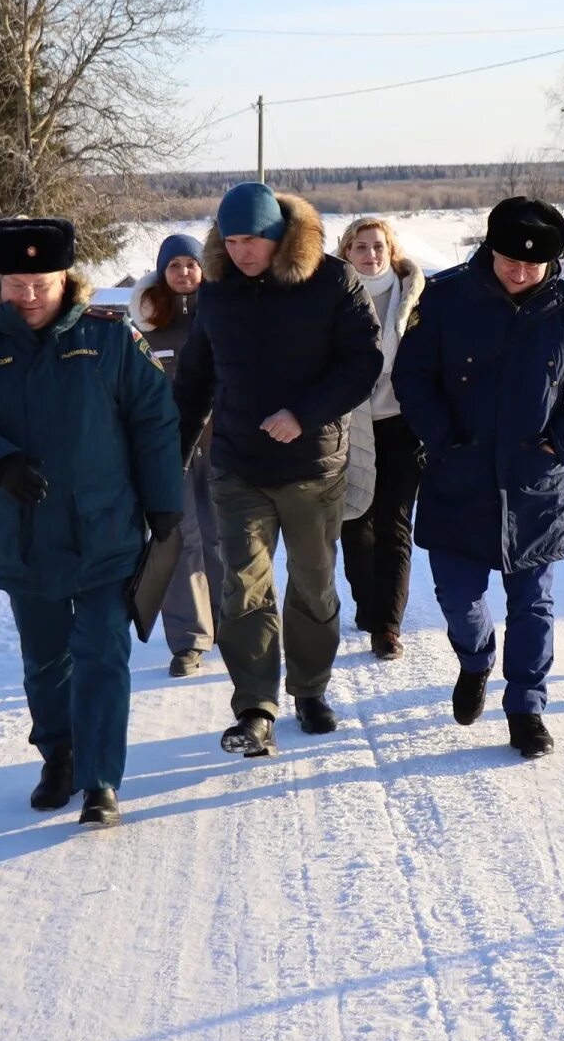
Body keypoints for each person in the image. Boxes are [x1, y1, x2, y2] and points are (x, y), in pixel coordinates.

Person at [0, 217, 184, 828]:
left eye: (40, 283)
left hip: (105, 526)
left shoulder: (110, 337)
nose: (29, 296)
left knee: (102, 650)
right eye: (16, 284)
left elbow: (154, 418)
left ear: (65, 278)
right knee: (45, 659)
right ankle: (60, 756)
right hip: (23, 532)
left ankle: (101, 780)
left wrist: (164, 502)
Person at [392, 197, 564, 759]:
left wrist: (560, 442)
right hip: (457, 477)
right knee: (458, 598)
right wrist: (443, 439)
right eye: (511, 261)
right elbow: (412, 377)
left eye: (532, 265)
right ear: (490, 250)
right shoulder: (444, 298)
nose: (520, 273)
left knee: (533, 606)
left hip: (534, 484)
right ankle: (475, 660)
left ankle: (526, 709)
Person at [173, 183, 382, 757]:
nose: (241, 251)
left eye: (252, 240)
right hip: (237, 464)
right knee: (243, 587)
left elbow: (363, 362)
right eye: (231, 240)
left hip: (313, 465)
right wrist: (173, 458)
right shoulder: (217, 290)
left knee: (312, 584)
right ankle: (255, 708)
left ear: (278, 235)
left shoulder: (333, 281)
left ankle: (310, 689)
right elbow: (194, 380)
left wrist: (304, 414)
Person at [130, 233, 225, 678]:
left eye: (191, 264)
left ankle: (231, 623)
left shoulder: (224, 316)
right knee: (180, 538)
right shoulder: (147, 328)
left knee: (223, 536)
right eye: (174, 266)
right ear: (161, 272)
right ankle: (189, 639)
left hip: (222, 445)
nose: (184, 272)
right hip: (168, 449)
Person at [335, 217, 427, 661]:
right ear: (346, 252)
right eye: (360, 247)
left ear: (391, 251)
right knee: (355, 521)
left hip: (400, 423)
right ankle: (368, 604)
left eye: (378, 246)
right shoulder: (331, 297)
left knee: (394, 522)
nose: (370, 254)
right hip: (348, 424)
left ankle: (387, 626)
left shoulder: (416, 297)